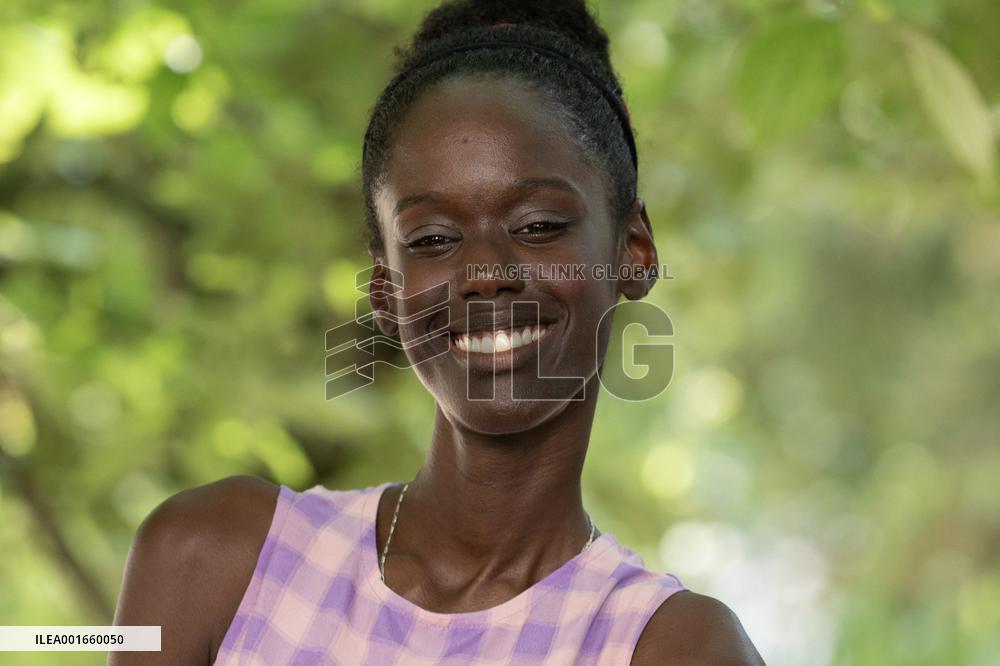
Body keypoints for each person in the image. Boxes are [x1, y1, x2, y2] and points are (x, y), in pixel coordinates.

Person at [111, 1, 764, 663]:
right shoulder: (210, 557)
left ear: (634, 251)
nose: (485, 274)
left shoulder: (673, 646)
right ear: (385, 293)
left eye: (538, 226)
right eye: (431, 239)